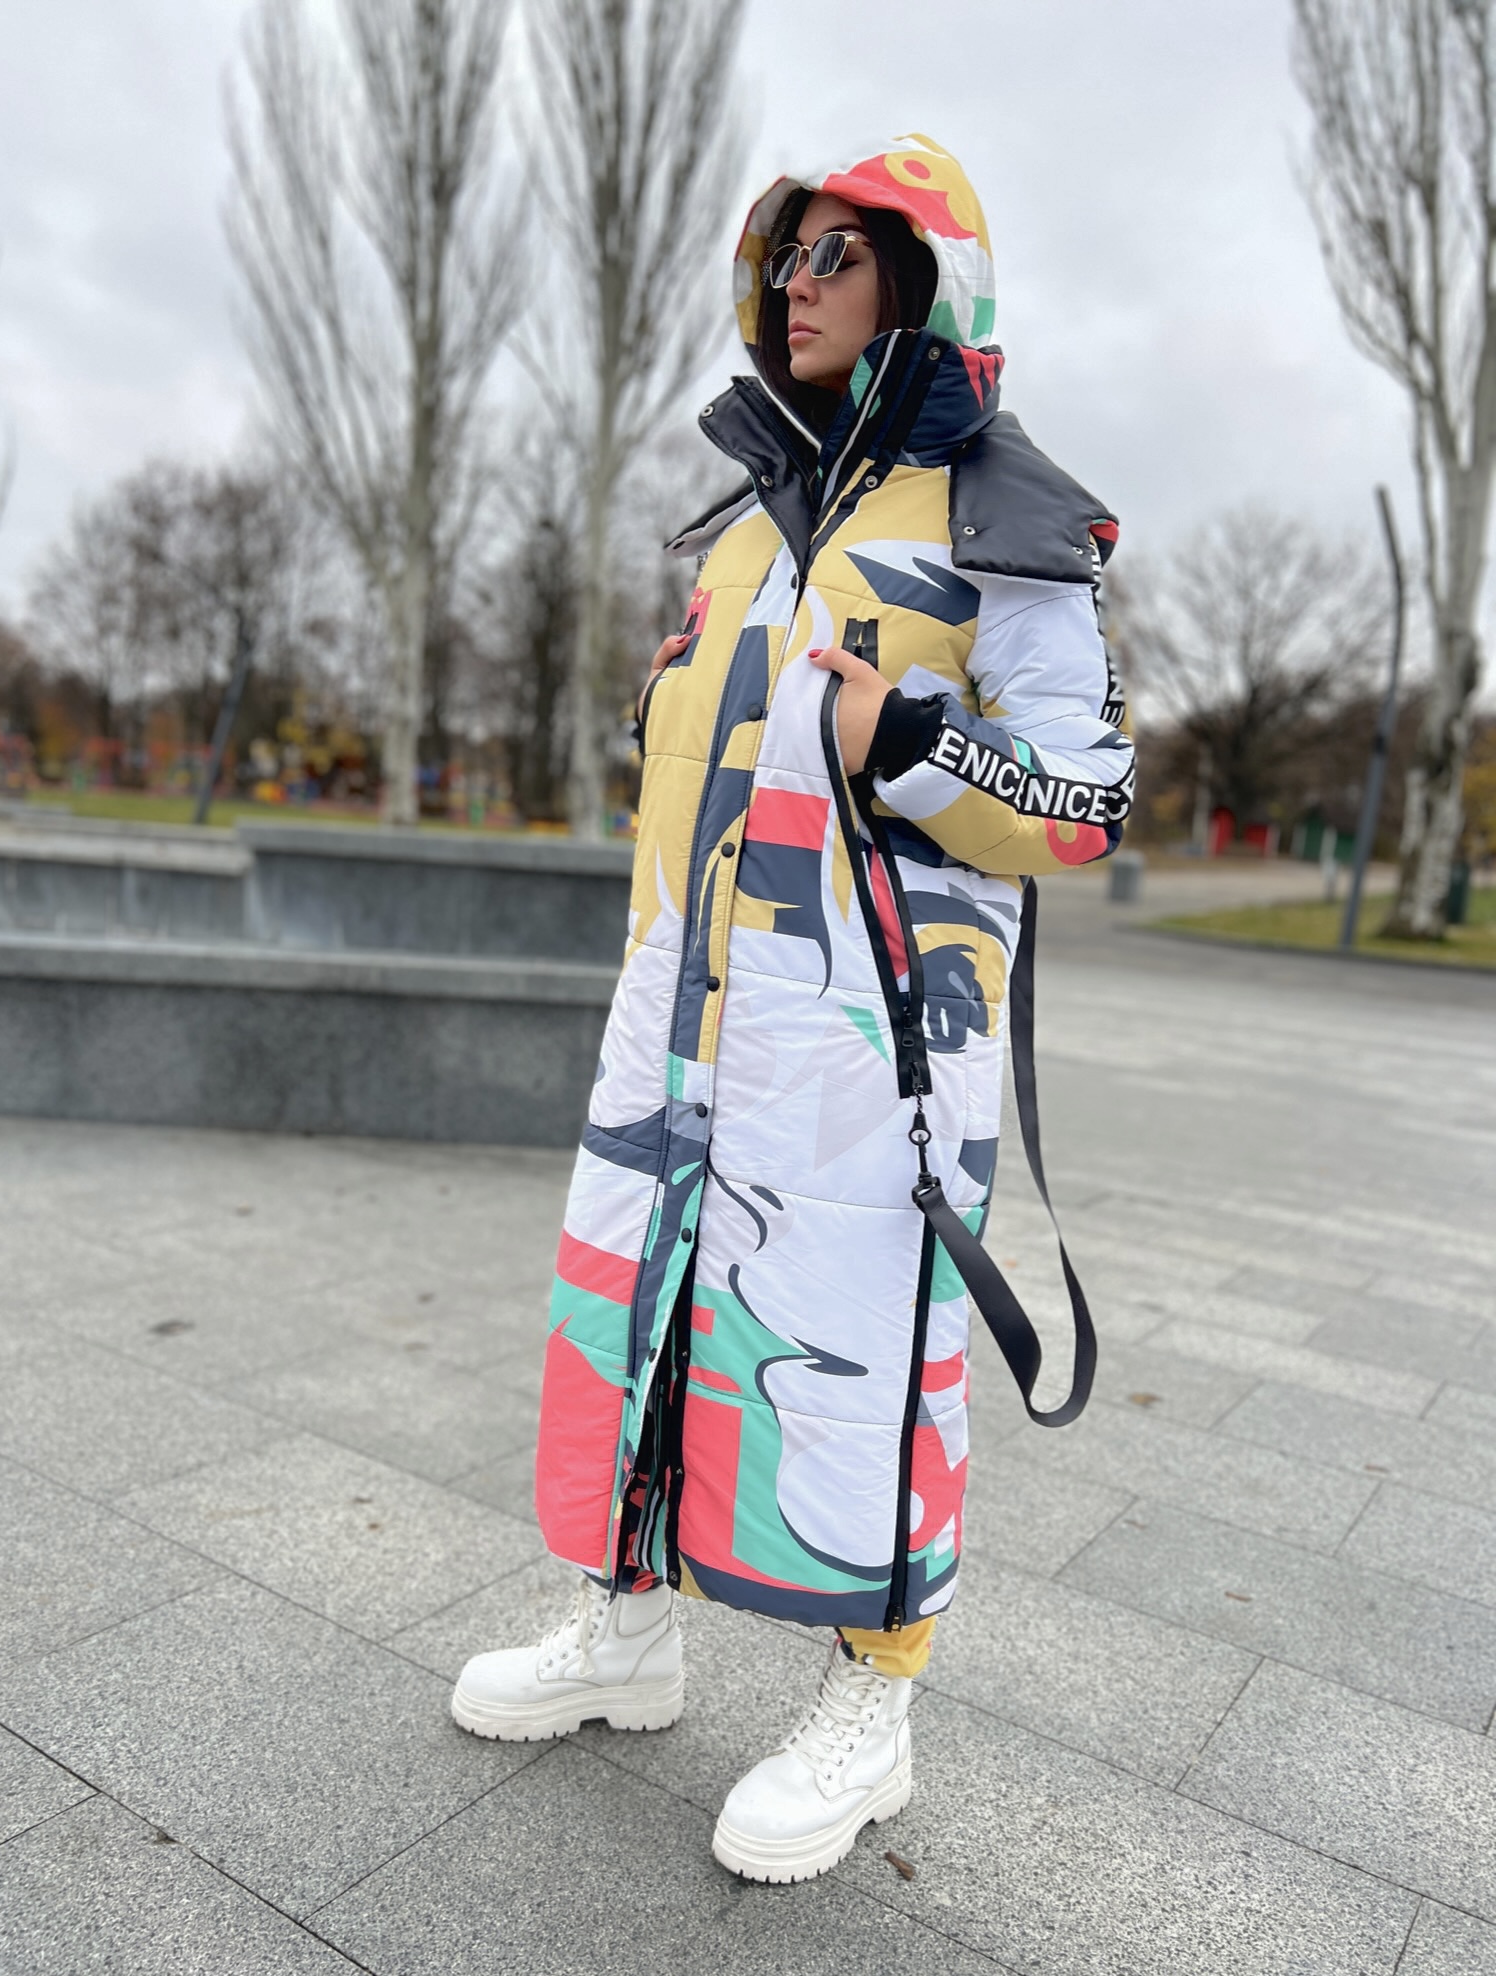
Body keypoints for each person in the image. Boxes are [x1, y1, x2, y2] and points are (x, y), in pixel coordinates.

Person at [452, 135, 1133, 1885]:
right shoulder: (751, 519)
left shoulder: (1008, 521)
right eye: (785, 255)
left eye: (840, 253)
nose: (797, 283)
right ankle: (626, 1622)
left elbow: (1085, 799)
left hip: (869, 1058)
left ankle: (873, 1702)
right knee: (641, 1312)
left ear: (927, 283)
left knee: (862, 1361)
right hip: (678, 1025)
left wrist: (906, 739)